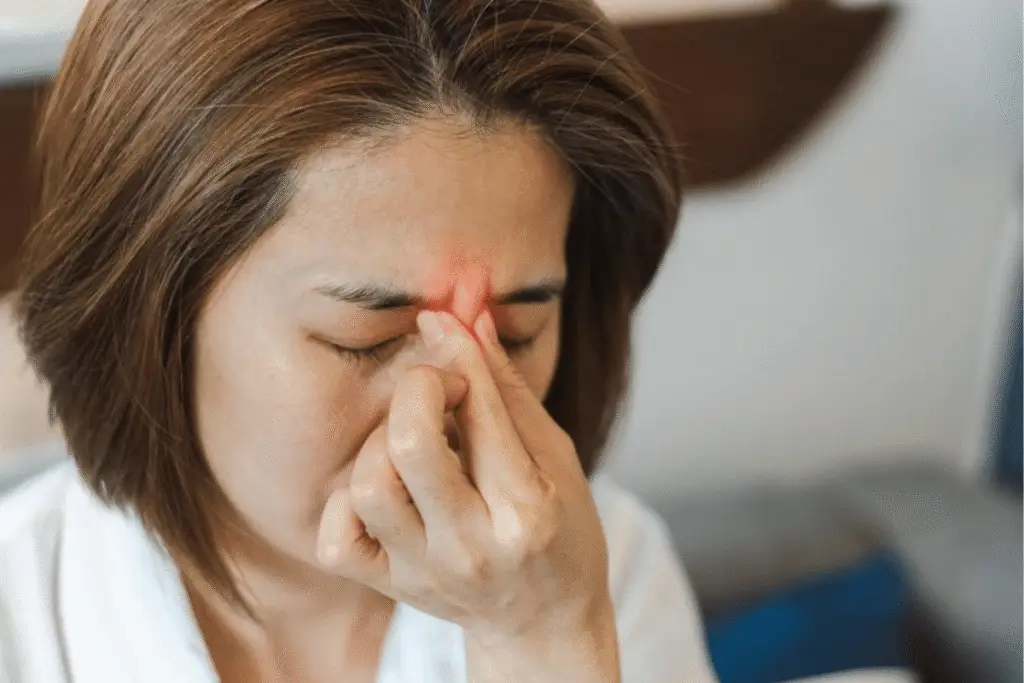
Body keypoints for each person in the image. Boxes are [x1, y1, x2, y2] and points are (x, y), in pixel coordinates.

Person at [0, 0, 718, 681]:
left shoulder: (605, 572)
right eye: (364, 339)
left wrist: (542, 640)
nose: (448, 413)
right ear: (152, 315)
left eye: (516, 331)